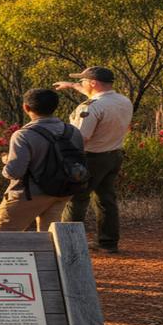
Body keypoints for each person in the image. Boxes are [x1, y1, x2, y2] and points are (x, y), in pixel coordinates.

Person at [55, 67, 133, 252]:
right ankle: (108, 243)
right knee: (106, 199)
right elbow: (96, 92)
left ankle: (69, 244)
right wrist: (73, 85)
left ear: (93, 83)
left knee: (76, 199)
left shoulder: (91, 107)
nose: (80, 84)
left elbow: (81, 137)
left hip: (91, 157)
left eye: (83, 81)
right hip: (113, 155)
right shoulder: (123, 100)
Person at [0, 87, 86, 233]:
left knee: (1, 237)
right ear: (55, 106)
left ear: (26, 107)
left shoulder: (23, 135)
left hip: (29, 194)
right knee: (50, 238)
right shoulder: (72, 131)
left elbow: (14, 172)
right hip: (62, 192)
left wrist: (6, 162)